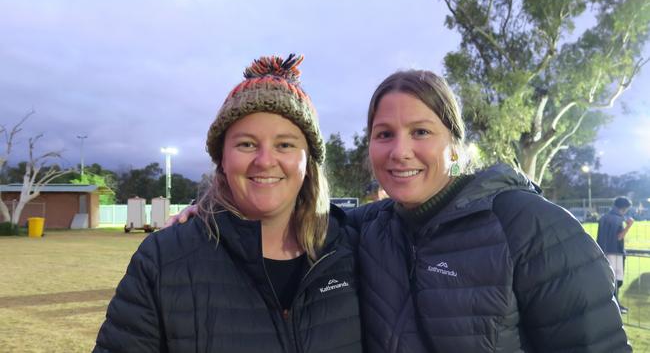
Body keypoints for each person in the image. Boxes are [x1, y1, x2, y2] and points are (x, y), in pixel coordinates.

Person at [170, 69, 631, 352]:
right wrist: (211, 209)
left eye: (421, 132)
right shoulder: (367, 229)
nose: (400, 151)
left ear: (454, 144)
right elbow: (280, 206)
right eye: (384, 134)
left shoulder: (529, 225)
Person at [94, 54, 363, 353]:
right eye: (246, 144)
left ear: (308, 160)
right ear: (222, 158)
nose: (264, 161)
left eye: (285, 145)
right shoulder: (163, 260)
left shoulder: (355, 248)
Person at [597, 196, 634, 314]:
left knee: (609, 280)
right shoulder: (618, 219)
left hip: (603, 252)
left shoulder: (604, 217)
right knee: (617, 281)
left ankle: (613, 304)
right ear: (624, 208)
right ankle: (615, 305)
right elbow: (618, 237)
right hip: (615, 253)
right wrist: (629, 226)